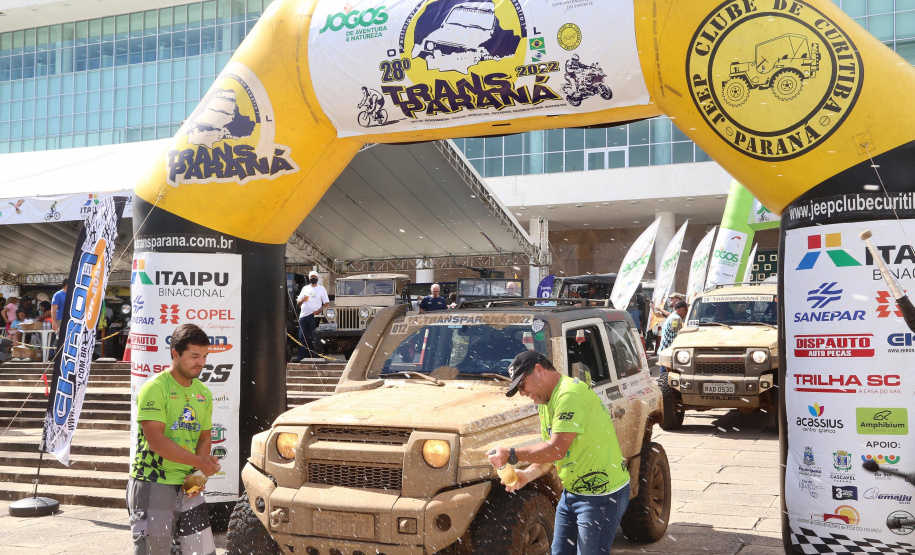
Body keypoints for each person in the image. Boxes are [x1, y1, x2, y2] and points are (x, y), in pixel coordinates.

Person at [487, 351, 630, 555]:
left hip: (602, 495)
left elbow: (556, 448)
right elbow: (553, 453)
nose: (522, 393)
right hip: (573, 493)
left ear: (539, 370)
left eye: (522, 385)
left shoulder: (569, 394)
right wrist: (527, 475)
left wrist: (512, 454)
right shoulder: (545, 401)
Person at [128, 323, 220, 555]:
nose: (201, 362)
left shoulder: (204, 392)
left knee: (197, 551)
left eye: (205, 356)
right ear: (175, 354)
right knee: (154, 551)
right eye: (194, 356)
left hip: (189, 485)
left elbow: (205, 435)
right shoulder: (155, 388)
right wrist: (200, 463)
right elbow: (156, 442)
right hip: (153, 481)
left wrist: (198, 476)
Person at [295, 271, 329, 361]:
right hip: (303, 315)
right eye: (311, 277)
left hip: (314, 316)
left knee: (313, 336)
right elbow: (298, 302)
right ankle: (301, 356)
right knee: (302, 336)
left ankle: (313, 356)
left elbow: (326, 303)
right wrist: (303, 299)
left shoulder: (321, 289)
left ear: (317, 278)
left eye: (314, 277)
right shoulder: (305, 288)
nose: (312, 279)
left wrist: (318, 311)